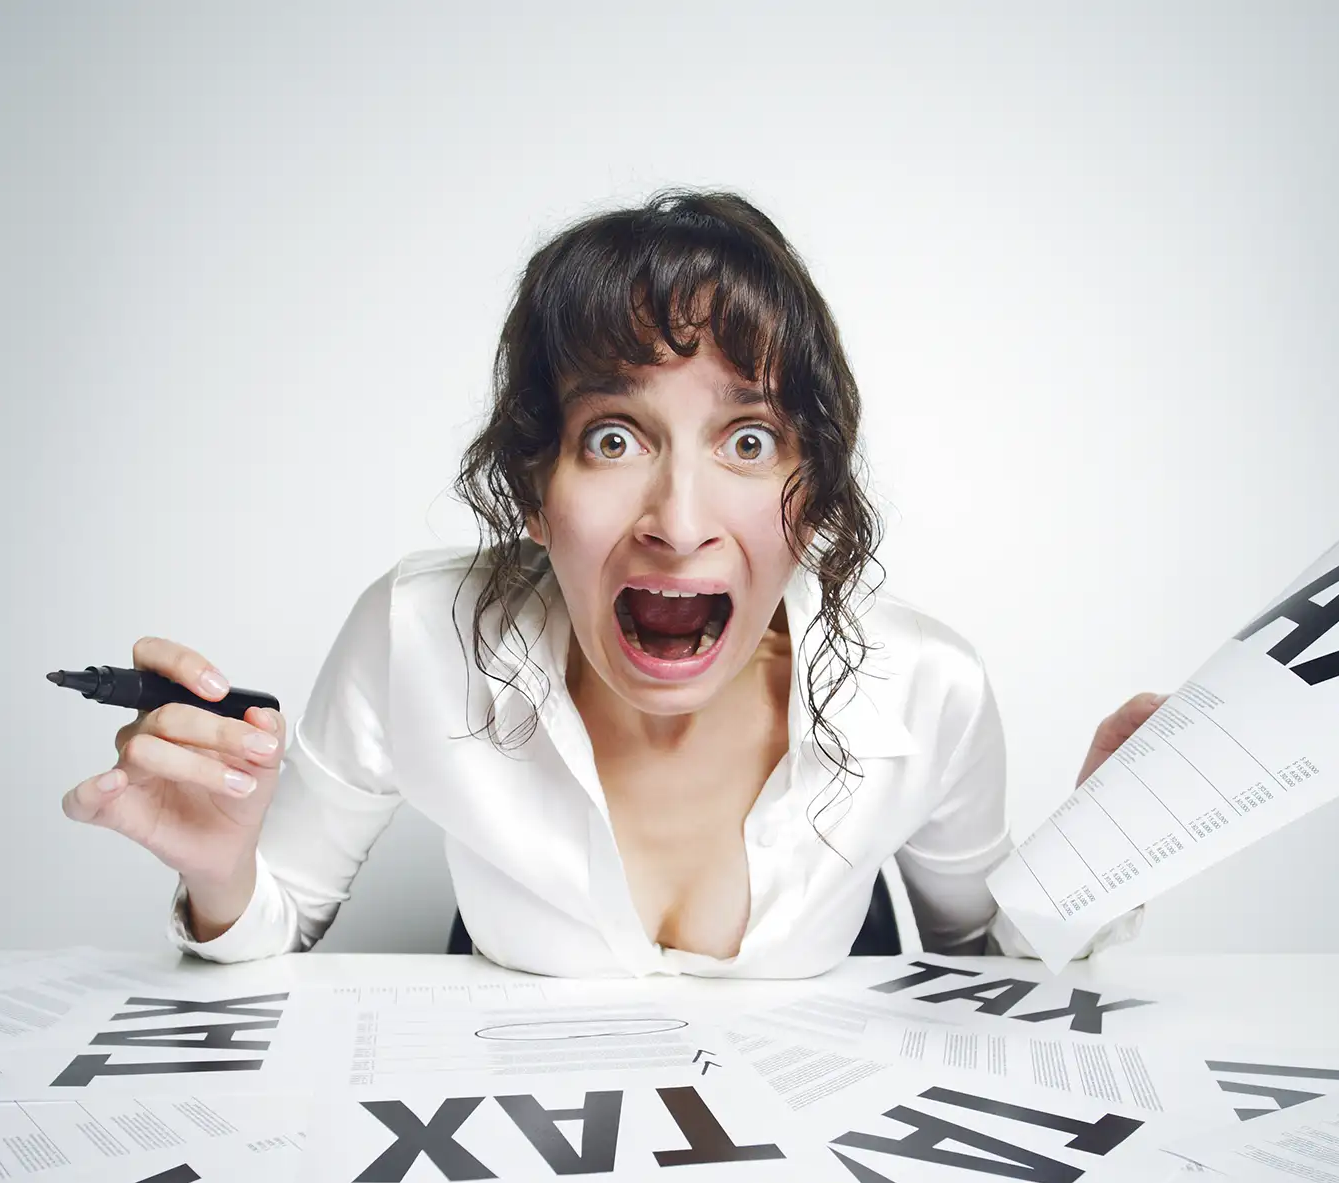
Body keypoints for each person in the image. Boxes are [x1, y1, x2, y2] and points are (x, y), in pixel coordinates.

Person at [61, 191, 1160, 978]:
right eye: (614, 438)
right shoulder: (417, 636)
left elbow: (985, 963)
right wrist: (222, 869)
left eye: (746, 441)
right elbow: (276, 919)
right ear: (535, 490)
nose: (678, 523)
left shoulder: (927, 688)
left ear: (813, 495)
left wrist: (1110, 856)